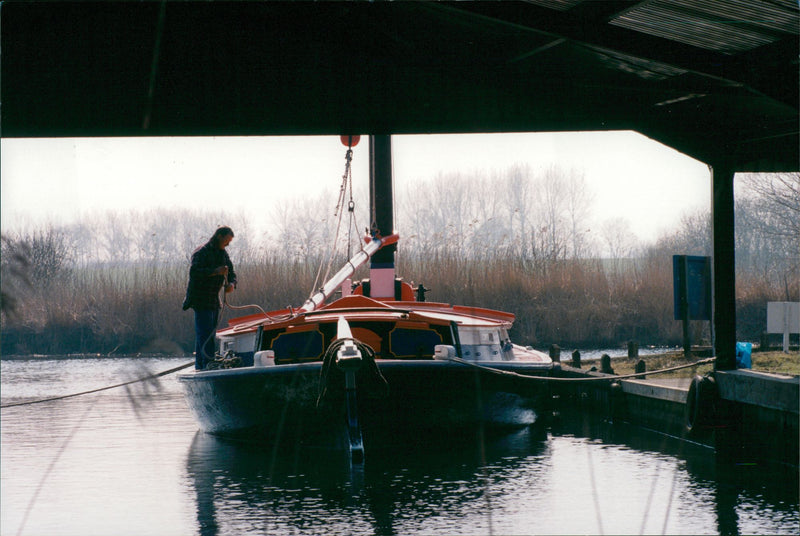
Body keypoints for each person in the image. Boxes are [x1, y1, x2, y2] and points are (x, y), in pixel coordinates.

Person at [183, 226, 237, 370]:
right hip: (200, 300)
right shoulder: (201, 252)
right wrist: (215, 272)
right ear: (219, 236)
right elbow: (195, 273)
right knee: (205, 334)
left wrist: (231, 284)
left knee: (209, 334)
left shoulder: (223, 253)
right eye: (227, 241)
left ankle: (202, 366)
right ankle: (207, 365)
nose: (228, 244)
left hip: (214, 300)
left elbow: (232, 272)